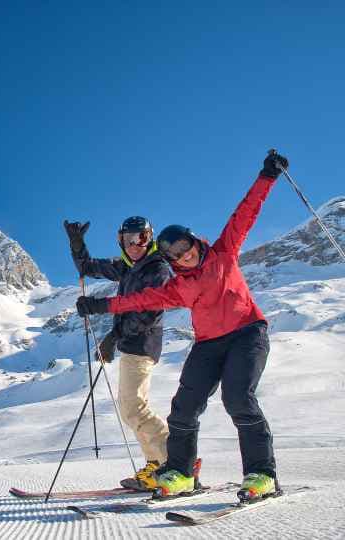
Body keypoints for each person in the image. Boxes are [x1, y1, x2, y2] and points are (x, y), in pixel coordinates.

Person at [75, 151, 289, 501]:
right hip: (208, 343)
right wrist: (101, 306)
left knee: (238, 398)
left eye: (185, 247)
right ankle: (180, 472)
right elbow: (139, 300)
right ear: (170, 259)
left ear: (193, 240)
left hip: (247, 333)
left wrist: (267, 177)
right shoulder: (179, 285)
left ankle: (261, 475)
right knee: (184, 407)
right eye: (174, 254)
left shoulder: (224, 251)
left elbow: (246, 212)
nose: (183, 255)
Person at [64, 216, 171, 491]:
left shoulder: (156, 269)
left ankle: (175, 463)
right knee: (132, 408)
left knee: (134, 407)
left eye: (141, 239)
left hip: (143, 343)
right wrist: (77, 245)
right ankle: (157, 465)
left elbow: (147, 313)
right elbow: (88, 268)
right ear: (120, 241)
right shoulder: (128, 267)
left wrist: (114, 337)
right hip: (131, 344)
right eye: (128, 240)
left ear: (151, 238)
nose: (134, 245)